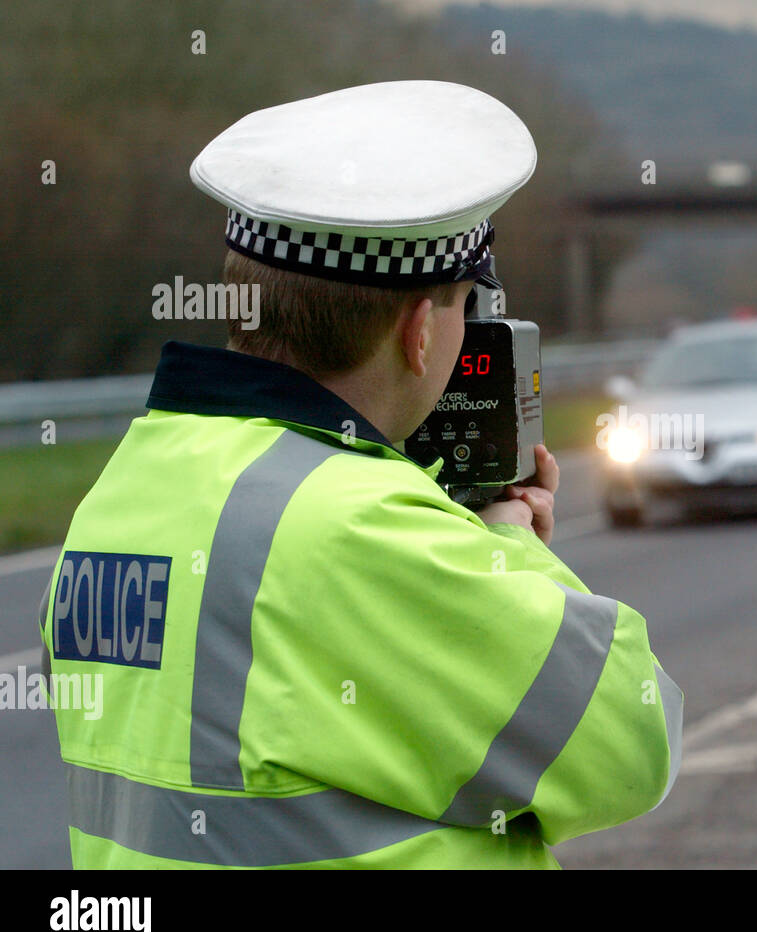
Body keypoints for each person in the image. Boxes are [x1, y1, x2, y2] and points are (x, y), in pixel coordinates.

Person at [37, 80, 683, 869]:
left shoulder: (123, 492)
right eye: (461, 307)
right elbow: (631, 739)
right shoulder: (367, 529)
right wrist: (509, 549)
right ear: (419, 333)